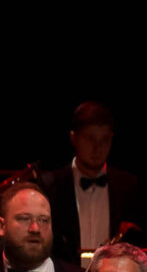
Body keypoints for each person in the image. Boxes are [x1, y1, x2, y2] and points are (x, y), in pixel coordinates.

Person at [34, 101, 140, 253]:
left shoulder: (128, 186)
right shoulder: (49, 185)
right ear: (73, 138)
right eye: (90, 138)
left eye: (104, 139)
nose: (97, 147)